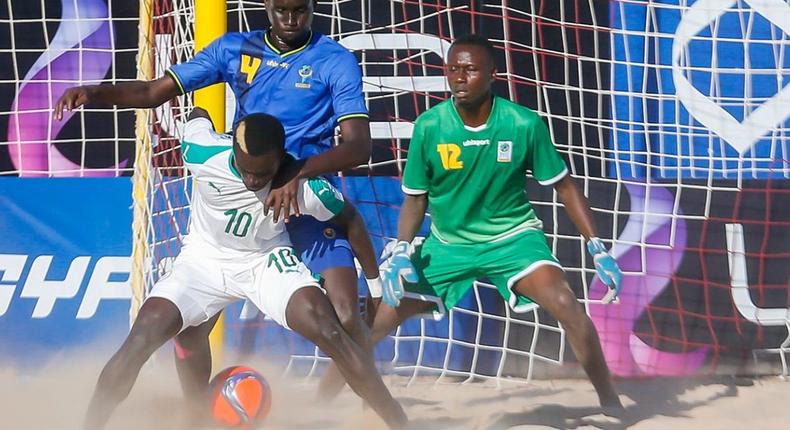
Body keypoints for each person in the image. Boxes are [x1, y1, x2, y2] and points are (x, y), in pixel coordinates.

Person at [55, 0, 378, 403]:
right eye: (282, 10)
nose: (291, 19)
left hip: (304, 193)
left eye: (300, 10)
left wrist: (299, 172)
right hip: (251, 191)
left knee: (346, 317)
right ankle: (196, 412)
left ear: (313, 8)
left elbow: (359, 146)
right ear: (267, 6)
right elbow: (155, 91)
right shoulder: (234, 49)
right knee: (191, 328)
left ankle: (363, 406)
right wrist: (95, 92)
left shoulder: (335, 60)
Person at [321, 34, 624, 411]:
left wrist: (597, 247)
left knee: (566, 303)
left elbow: (564, 187)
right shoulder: (430, 126)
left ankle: (610, 401)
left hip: (513, 239)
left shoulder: (522, 123)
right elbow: (416, 199)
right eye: (452, 69)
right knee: (376, 321)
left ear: (493, 74)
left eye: (469, 69)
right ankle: (318, 402)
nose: (459, 77)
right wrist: (402, 249)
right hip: (447, 245)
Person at [81, 109, 407, 430]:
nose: (252, 181)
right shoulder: (201, 151)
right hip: (204, 260)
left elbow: (350, 220)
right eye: (245, 171)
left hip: (265, 260)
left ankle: (398, 422)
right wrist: (202, 118)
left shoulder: (304, 187)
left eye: (261, 174)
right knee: (144, 333)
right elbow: (197, 113)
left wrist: (375, 285)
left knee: (329, 330)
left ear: (280, 159)